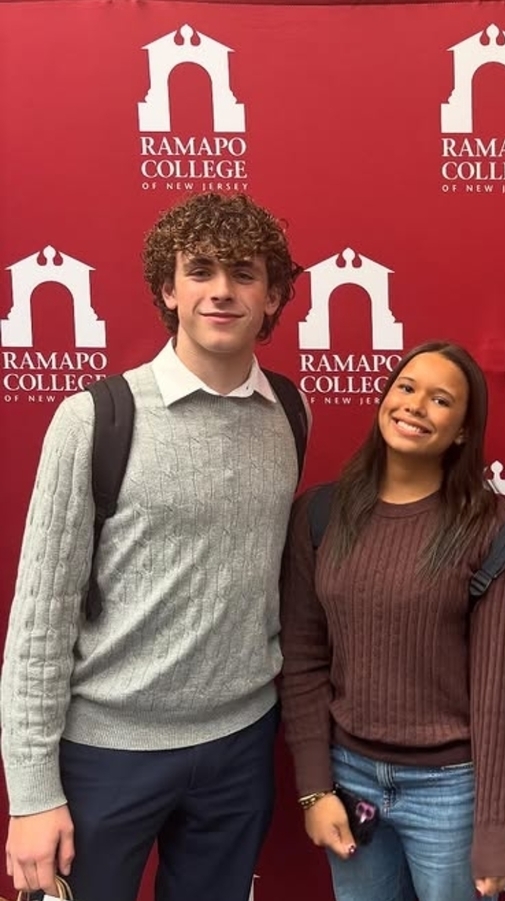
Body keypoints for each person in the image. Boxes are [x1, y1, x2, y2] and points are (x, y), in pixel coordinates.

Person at [0, 192, 306, 901]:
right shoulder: (93, 419)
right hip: (105, 753)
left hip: (240, 743)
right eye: (199, 271)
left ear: (273, 296)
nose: (221, 290)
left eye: (243, 272)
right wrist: (31, 791)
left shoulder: (290, 411)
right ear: (168, 290)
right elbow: (39, 619)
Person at [279, 341, 505, 901]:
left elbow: (495, 688)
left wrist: (495, 824)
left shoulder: (493, 527)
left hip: (449, 790)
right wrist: (315, 789)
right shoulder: (319, 514)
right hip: (350, 779)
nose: (416, 406)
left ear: (462, 430)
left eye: (441, 400)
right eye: (407, 388)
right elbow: (303, 660)